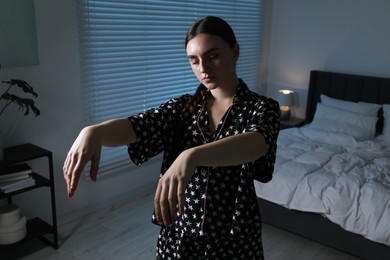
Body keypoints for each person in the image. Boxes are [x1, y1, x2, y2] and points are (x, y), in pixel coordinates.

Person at [63, 16, 280, 260]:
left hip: (233, 236)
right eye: (194, 60)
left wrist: (193, 155)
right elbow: (138, 126)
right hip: (180, 232)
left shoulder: (262, 107)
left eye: (213, 56)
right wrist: (95, 132)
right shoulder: (182, 107)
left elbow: (257, 142)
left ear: (235, 51)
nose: (203, 69)